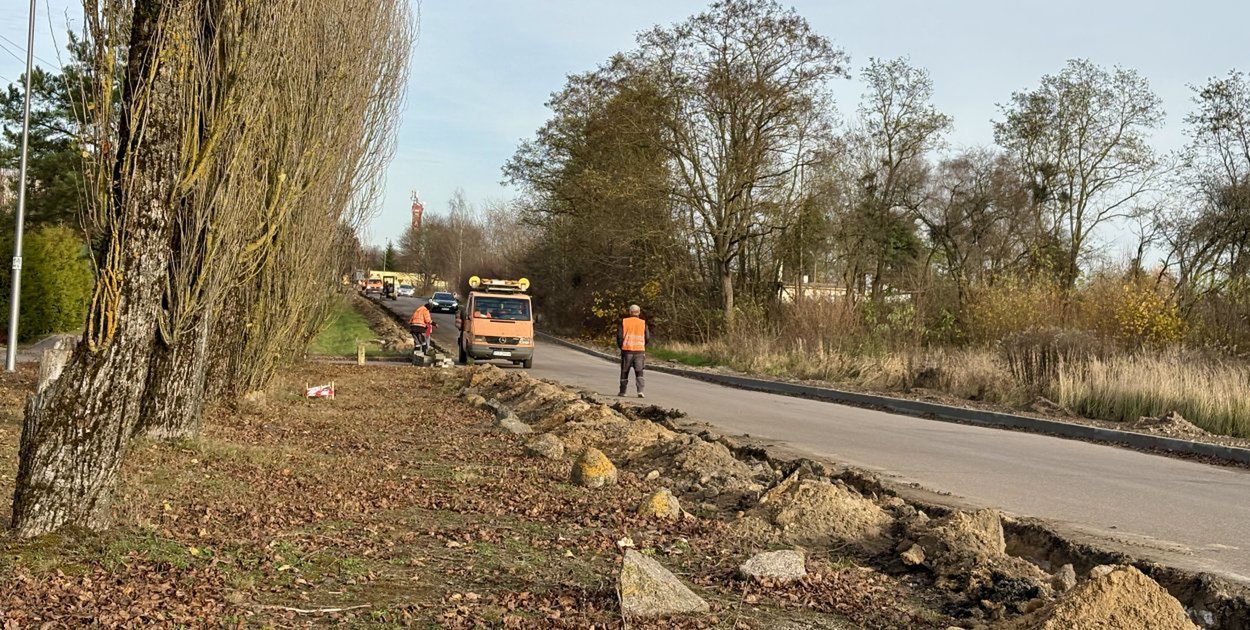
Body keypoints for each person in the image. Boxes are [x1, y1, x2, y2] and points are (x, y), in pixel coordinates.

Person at [617, 304, 651, 398]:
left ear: (630, 312)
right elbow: (647, 337)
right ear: (638, 312)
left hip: (627, 350)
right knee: (639, 371)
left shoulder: (624, 322)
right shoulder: (643, 323)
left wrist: (622, 346)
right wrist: (642, 345)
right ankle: (640, 391)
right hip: (639, 351)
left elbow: (619, 337)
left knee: (624, 371)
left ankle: (623, 392)